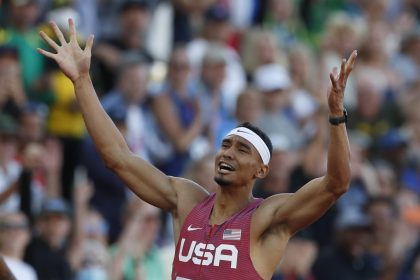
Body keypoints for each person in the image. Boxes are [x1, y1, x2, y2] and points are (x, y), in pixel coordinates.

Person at [38, 19, 356, 279]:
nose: (228, 153)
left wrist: (335, 116)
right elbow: (118, 158)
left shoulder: (267, 218)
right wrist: (82, 81)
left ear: (262, 170)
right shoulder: (187, 199)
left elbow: (336, 184)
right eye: (226, 145)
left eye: (242, 149)